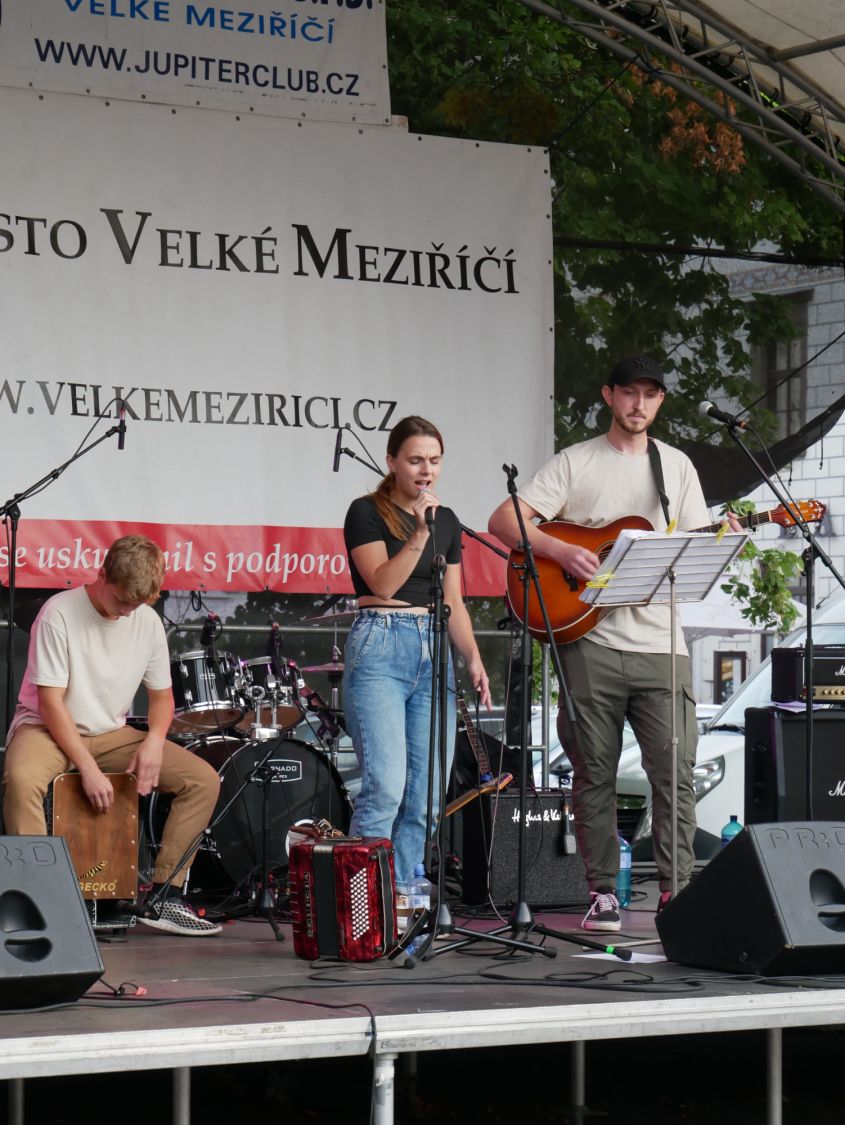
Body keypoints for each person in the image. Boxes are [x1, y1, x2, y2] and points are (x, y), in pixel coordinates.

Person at [489, 356, 740, 932]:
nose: (639, 405)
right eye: (629, 393)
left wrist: (722, 540)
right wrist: (562, 551)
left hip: (661, 645)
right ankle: (603, 892)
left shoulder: (675, 467)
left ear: (660, 402)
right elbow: (504, 521)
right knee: (594, 772)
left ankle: (678, 894)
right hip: (589, 640)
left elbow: (691, 547)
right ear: (609, 395)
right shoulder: (576, 462)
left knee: (675, 772)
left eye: (650, 395)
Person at [3, 535, 222, 936]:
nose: (126, 612)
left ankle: (164, 896)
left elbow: (162, 698)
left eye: (136, 605)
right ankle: (40, 899)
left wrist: (153, 742)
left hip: (110, 732)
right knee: (21, 780)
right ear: (101, 574)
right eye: (121, 600)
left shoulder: (147, 621)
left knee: (203, 780)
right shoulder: (58, 613)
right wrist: (87, 767)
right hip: (46, 728)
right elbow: (50, 703)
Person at [343, 415, 492, 888]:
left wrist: (472, 658)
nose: (426, 470)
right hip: (382, 641)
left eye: (434, 460)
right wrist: (420, 534)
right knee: (385, 788)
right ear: (392, 461)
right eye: (415, 460)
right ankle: (364, 900)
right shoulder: (366, 511)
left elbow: (454, 601)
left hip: (434, 647)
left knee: (427, 795)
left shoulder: (447, 520)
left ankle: (403, 891)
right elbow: (382, 584)